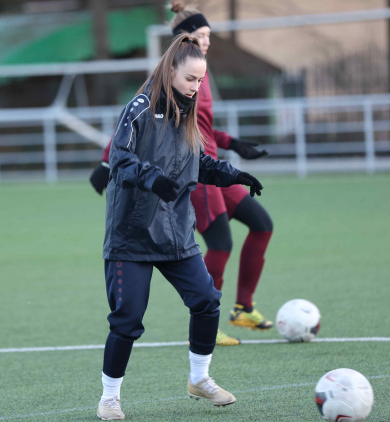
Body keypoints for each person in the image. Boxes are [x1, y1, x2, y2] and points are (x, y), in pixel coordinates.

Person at [96, 33, 264, 420]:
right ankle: (109, 398)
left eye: (201, 81)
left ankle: (200, 379)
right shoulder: (139, 108)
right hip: (132, 236)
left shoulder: (185, 114)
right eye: (190, 79)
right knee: (128, 319)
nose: (196, 87)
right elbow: (118, 161)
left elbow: (199, 163)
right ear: (171, 70)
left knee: (206, 300)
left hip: (175, 234)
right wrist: (150, 178)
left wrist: (235, 174)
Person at [90, 2, 274, 347]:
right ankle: (208, 317)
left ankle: (241, 307)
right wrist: (106, 163)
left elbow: (200, 130)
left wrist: (235, 144)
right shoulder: (172, 79)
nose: (207, 41)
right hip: (189, 171)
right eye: (200, 35)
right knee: (221, 242)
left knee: (262, 223)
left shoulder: (199, 78)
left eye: (208, 35)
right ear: (181, 42)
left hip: (210, 164)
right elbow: (135, 124)